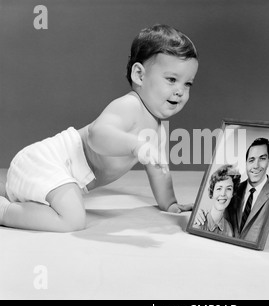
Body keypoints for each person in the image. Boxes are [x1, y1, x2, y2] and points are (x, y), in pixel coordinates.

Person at [0, 24, 199, 232]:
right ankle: (5, 211)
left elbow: (159, 171)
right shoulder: (129, 106)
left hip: (52, 174)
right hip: (43, 162)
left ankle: (13, 195)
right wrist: (136, 146)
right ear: (139, 75)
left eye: (188, 84)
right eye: (172, 79)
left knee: (64, 205)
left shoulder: (158, 131)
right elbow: (98, 136)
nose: (180, 91)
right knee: (73, 219)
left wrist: (170, 204)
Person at [196, 138, 269, 242]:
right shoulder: (236, 190)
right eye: (251, 160)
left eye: (262, 158)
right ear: (246, 162)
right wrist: (195, 210)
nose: (256, 166)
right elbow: (216, 205)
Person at [193, 164, 241, 237]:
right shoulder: (198, 223)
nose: (223, 194)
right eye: (219, 188)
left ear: (232, 194)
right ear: (212, 192)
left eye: (228, 189)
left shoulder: (229, 230)